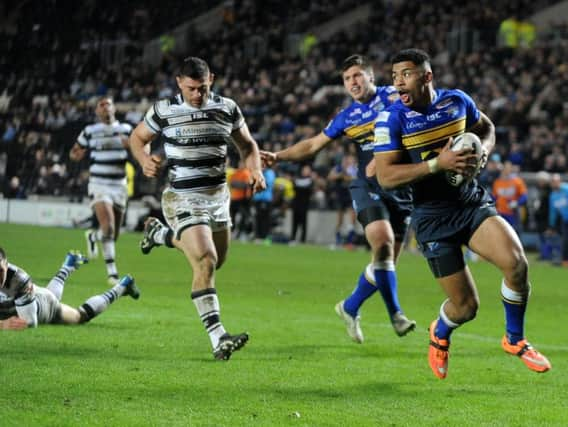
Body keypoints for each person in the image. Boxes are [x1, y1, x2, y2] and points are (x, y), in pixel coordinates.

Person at [373, 48, 550, 379]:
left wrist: (484, 150)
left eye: (406, 74)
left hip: (470, 203)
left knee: (517, 264)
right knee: (466, 308)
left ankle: (515, 339)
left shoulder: (456, 102)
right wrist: (437, 164)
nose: (398, 82)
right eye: (394, 76)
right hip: (431, 217)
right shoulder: (391, 119)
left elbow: (487, 127)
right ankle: (440, 332)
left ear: (427, 77)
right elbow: (385, 176)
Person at [261, 54, 416, 343]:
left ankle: (349, 307)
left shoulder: (397, 95)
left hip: (403, 189)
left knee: (385, 261)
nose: (352, 82)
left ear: (371, 76)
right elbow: (313, 145)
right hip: (368, 185)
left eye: (357, 75)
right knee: (382, 243)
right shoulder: (347, 117)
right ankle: (396, 315)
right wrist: (278, 156)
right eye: (347, 79)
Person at [129, 57, 266, 361]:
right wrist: (143, 160)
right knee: (205, 261)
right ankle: (219, 338)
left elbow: (248, 146)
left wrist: (255, 170)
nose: (197, 95)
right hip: (183, 197)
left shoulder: (227, 108)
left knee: (217, 262)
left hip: (218, 198)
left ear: (212, 80)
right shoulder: (163, 110)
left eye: (203, 88)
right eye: (191, 88)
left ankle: (161, 235)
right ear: (179, 82)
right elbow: (138, 139)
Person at [70, 96, 133, 285]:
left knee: (113, 235)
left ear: (114, 108)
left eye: (108, 104)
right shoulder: (90, 131)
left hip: (119, 185)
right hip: (99, 184)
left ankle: (93, 235)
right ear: (97, 111)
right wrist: (76, 155)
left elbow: (140, 151)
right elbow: (74, 152)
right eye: (101, 105)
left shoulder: (127, 129)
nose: (105, 108)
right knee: (109, 227)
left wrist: (130, 146)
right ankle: (112, 274)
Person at [0, 247, 139, 330]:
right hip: (33, 296)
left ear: (7, 264)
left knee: (79, 317)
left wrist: (3, 325)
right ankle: (68, 266)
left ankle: (122, 287)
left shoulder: (18, 280)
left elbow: (29, 323)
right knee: (51, 294)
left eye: (0, 270)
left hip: (42, 306)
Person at [548, 173, 568, 267]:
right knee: (565, 241)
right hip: (565, 220)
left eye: (556, 181)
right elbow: (553, 212)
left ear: (560, 181)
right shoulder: (553, 196)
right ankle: (566, 260)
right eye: (552, 182)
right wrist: (551, 225)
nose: (554, 184)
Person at [492, 161, 528, 231]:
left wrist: (517, 203)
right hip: (501, 213)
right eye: (505, 168)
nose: (506, 170)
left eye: (508, 168)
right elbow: (494, 198)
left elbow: (524, 196)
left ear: (511, 169)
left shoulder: (517, 181)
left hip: (513, 214)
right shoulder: (497, 182)